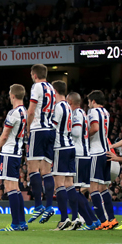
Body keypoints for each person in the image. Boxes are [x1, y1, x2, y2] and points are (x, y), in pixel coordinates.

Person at [0, 84, 28, 231]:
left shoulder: (13, 113)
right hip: (17, 152)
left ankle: (15, 223)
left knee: (10, 188)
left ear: (12, 95)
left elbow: (5, 134)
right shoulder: (25, 112)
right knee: (16, 187)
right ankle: (22, 222)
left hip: (9, 152)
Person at [26, 64, 57, 223]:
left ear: (34, 74)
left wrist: (27, 128)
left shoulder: (36, 87)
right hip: (51, 130)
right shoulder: (51, 88)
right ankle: (50, 206)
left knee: (32, 167)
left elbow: (31, 111)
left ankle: (38, 205)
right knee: (46, 169)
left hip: (38, 129)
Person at [46, 81, 77, 230]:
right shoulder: (69, 107)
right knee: (70, 184)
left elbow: (52, 129)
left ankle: (64, 219)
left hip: (60, 148)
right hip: (71, 146)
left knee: (59, 184)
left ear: (55, 91)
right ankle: (76, 218)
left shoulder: (58, 107)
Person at [67, 92, 99, 230]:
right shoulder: (82, 113)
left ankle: (90, 222)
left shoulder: (77, 114)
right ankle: (93, 220)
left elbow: (76, 132)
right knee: (77, 191)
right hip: (83, 154)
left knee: (73, 191)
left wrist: (64, 129)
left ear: (70, 102)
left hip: (79, 155)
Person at [87, 90, 118, 230]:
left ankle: (102, 220)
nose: (88, 105)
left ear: (93, 101)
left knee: (93, 188)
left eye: (89, 102)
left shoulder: (93, 112)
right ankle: (112, 219)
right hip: (106, 151)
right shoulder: (106, 112)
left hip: (96, 152)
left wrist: (84, 135)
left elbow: (94, 128)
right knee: (103, 188)